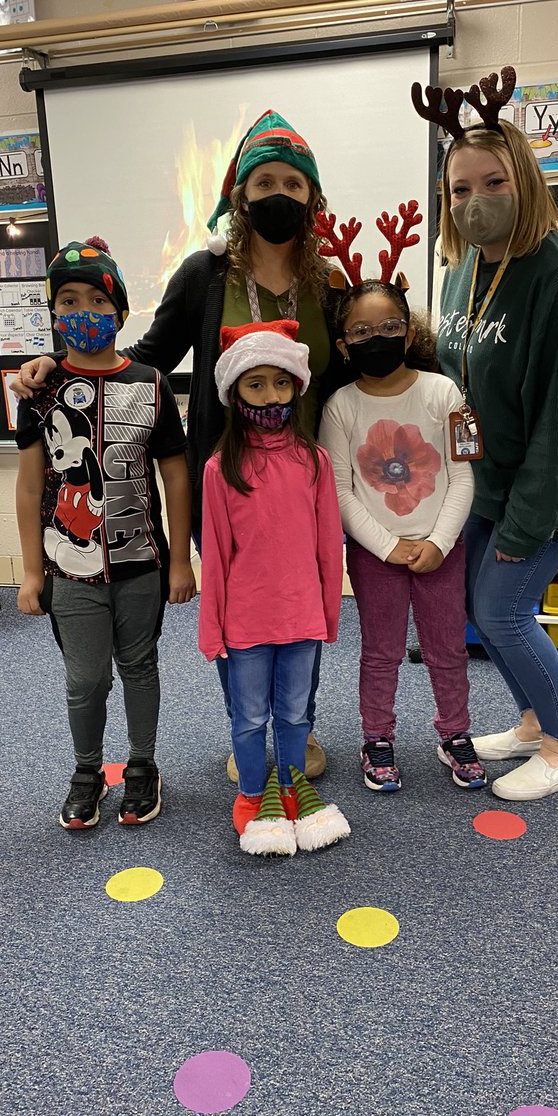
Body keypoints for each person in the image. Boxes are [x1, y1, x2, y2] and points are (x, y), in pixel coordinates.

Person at [11, 109, 342, 781]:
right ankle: (246, 726)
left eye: (294, 183)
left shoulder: (327, 282)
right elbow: (144, 357)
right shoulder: (205, 274)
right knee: (238, 612)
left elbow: (354, 374)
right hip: (226, 481)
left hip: (306, 479)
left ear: (312, 198)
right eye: (264, 181)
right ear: (240, 196)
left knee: (304, 606)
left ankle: (297, 735)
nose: (278, 193)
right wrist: (57, 360)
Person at [415, 65, 558, 802]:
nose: (475, 201)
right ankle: (535, 723)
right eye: (460, 189)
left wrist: (526, 521)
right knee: (485, 608)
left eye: (493, 183)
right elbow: (456, 371)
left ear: (527, 182)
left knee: (502, 610)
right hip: (489, 478)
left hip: (552, 481)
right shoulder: (463, 269)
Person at [15, 238, 195, 830]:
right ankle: (87, 771)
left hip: (142, 560)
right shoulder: (38, 390)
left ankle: (142, 766)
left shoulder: (151, 382)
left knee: (140, 665)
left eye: (97, 299)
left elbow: (174, 472)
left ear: (119, 312)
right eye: (68, 301)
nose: (83, 312)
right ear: (53, 313)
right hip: (69, 565)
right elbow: (27, 484)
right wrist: (31, 572)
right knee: (85, 678)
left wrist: (180, 562)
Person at [319, 277, 482, 793]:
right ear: (343, 345)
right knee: (381, 650)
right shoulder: (339, 406)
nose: (377, 338)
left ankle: (455, 733)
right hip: (374, 554)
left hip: (444, 548)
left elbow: (464, 475)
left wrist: (437, 542)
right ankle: (377, 739)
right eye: (361, 330)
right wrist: (389, 546)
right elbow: (339, 492)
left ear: (408, 334)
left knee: (447, 648)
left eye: (390, 326)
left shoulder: (446, 392)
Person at [198, 319, 349, 856]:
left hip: (302, 616)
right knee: (249, 716)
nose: (270, 394)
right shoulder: (221, 469)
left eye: (280, 382)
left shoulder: (315, 462)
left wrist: (329, 612)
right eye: (255, 383)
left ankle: (291, 789)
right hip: (246, 621)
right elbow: (214, 558)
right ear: (234, 392)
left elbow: (329, 546)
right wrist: (211, 627)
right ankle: (251, 794)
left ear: (297, 387)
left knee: (294, 714)